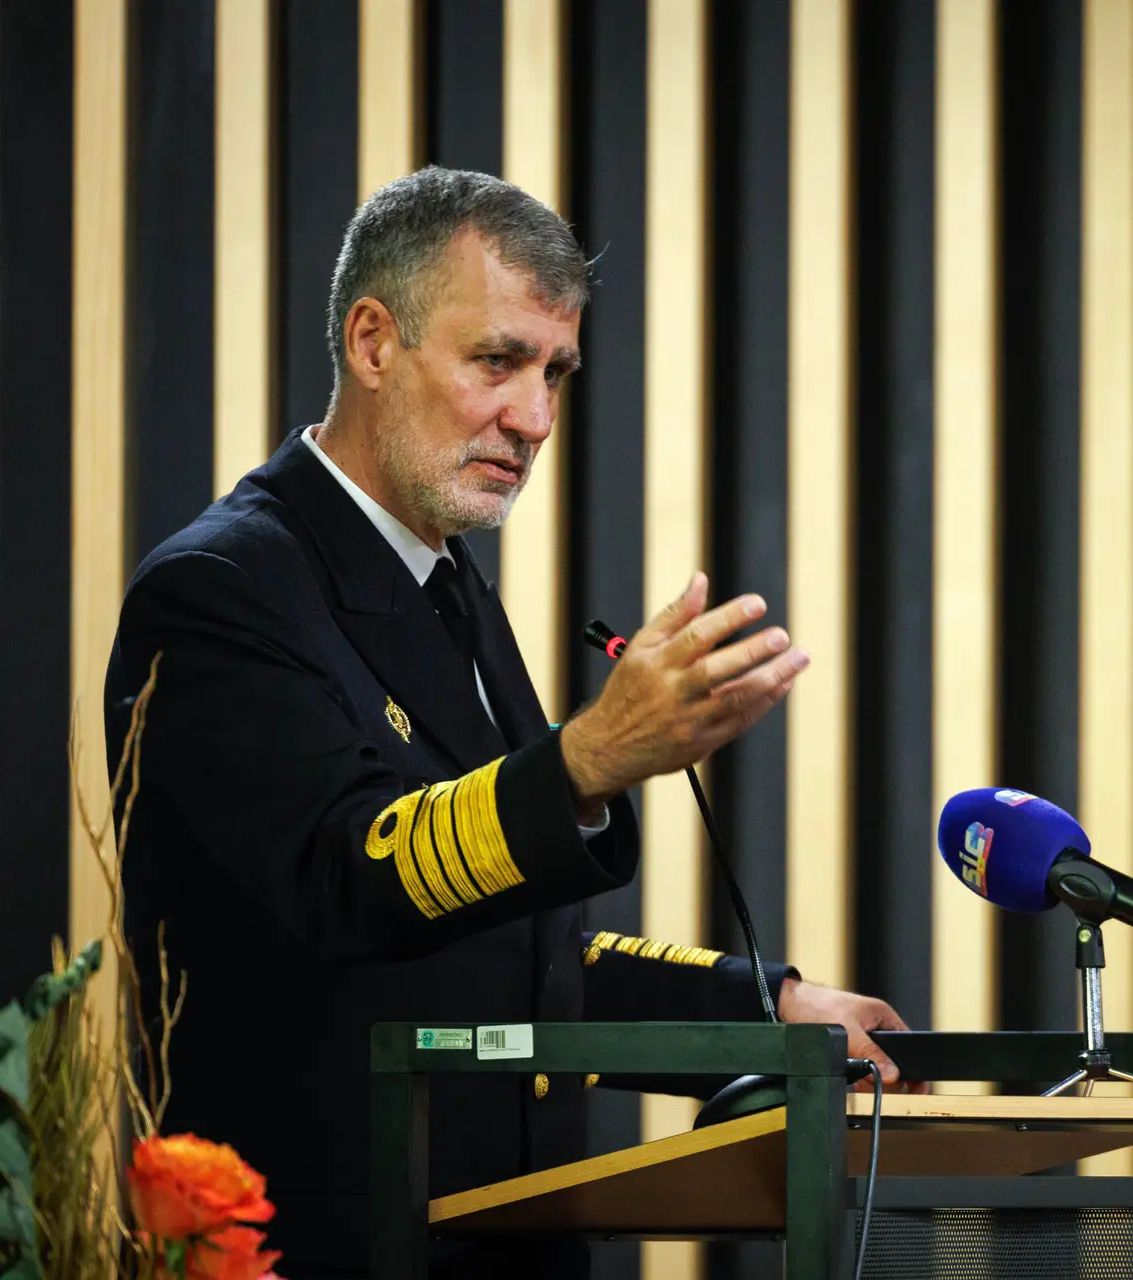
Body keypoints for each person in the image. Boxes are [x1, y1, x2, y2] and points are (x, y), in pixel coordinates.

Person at [104, 167, 908, 1279]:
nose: (535, 419)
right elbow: (357, 874)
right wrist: (582, 759)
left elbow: (508, 956)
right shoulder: (221, 589)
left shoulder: (448, 587)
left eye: (555, 371)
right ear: (374, 342)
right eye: (499, 361)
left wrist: (764, 1004)